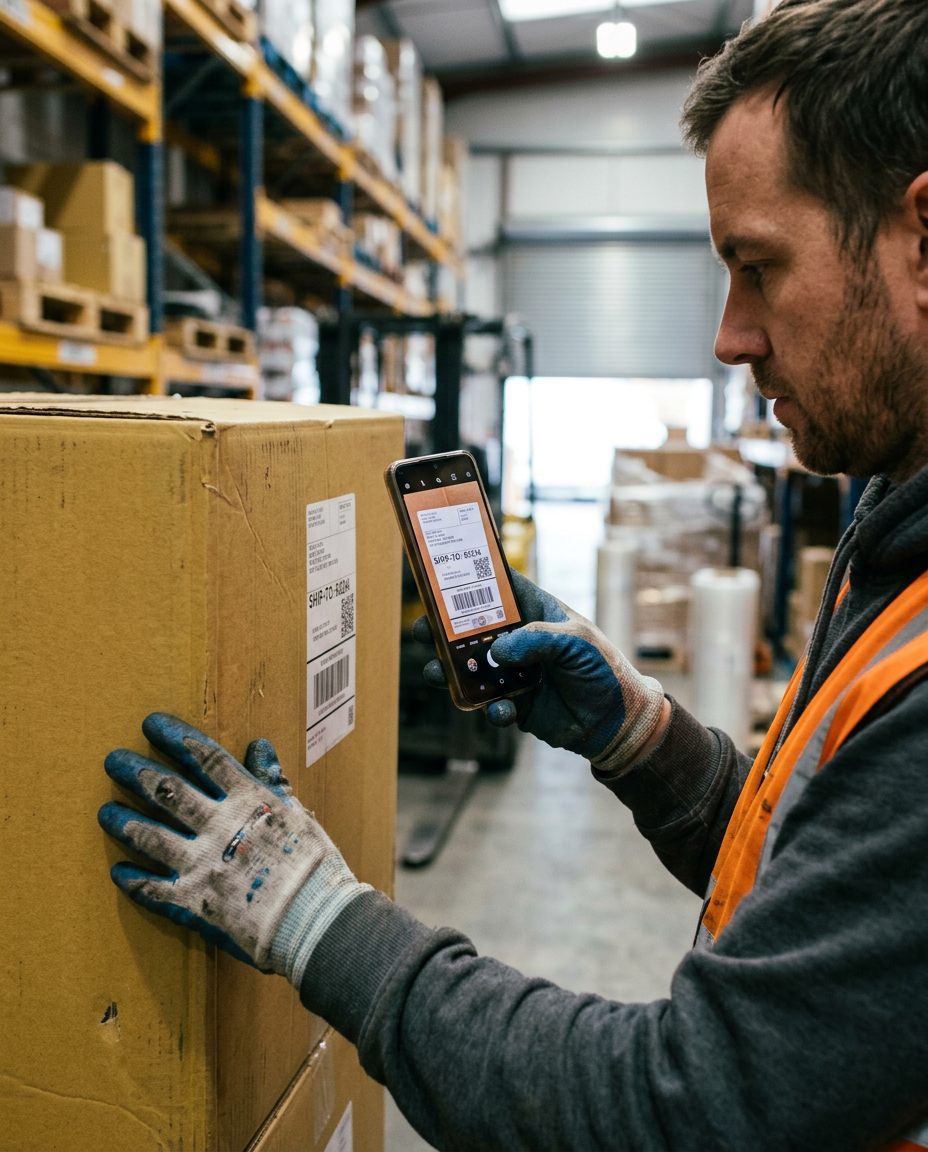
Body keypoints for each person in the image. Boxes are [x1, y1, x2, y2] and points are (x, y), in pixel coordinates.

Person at [98, 1, 928, 1147]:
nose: (728, 336)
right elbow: (835, 896)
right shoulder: (896, 520)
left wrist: (314, 919)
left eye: (757, 266)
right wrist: (645, 739)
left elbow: (687, 1111)